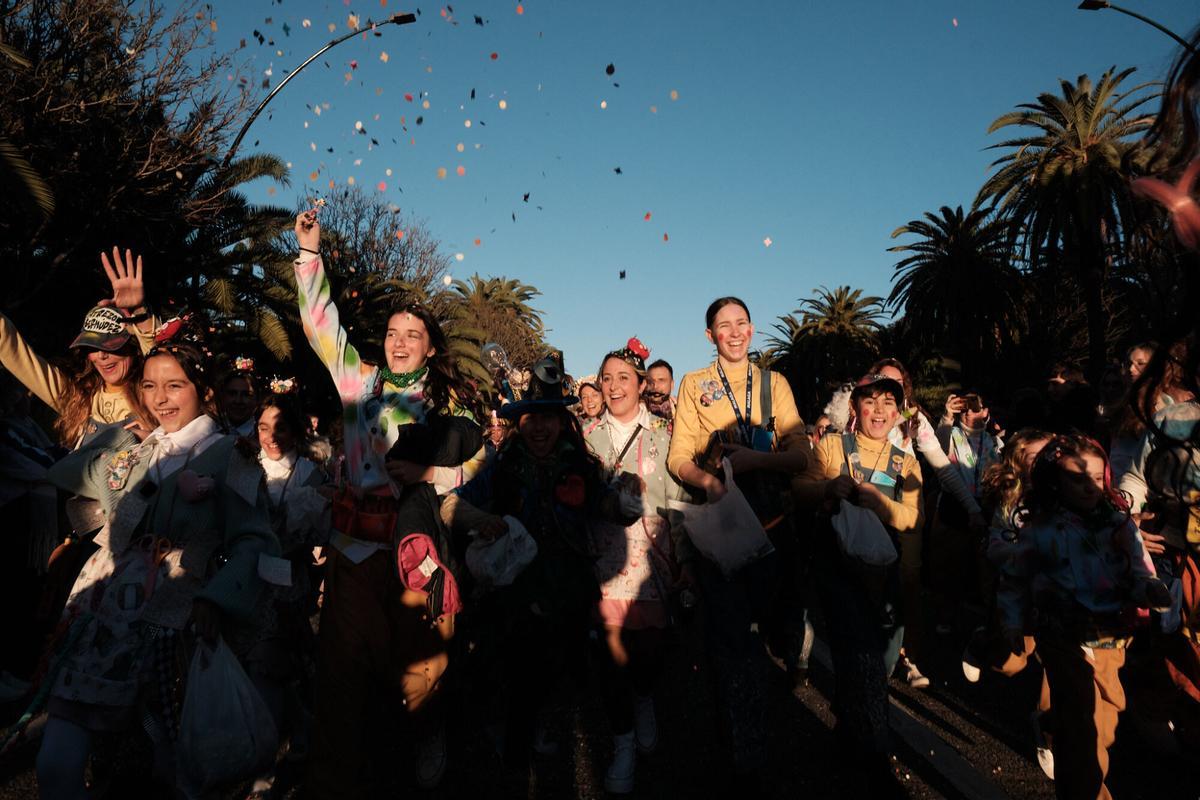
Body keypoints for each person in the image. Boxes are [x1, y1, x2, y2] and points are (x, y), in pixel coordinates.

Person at [35, 332, 278, 799]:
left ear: (202, 390)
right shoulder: (137, 450)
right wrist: (119, 437)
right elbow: (61, 472)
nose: (159, 399)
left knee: (155, 768)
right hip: (102, 619)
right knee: (58, 764)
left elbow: (255, 540)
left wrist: (216, 598)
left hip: (174, 628)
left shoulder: (232, 455)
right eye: (148, 386)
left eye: (174, 386)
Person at [292, 209, 482, 795]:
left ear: (429, 348)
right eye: (393, 333)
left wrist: (430, 473)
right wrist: (309, 257)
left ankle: (427, 734)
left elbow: (475, 464)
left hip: (415, 551)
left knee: (420, 662)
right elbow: (323, 327)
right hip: (352, 551)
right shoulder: (359, 383)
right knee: (344, 676)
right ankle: (336, 776)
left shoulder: (451, 399)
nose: (399, 343)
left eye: (413, 336)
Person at [666, 296, 810, 783]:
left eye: (741, 323)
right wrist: (710, 483)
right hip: (722, 533)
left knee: (773, 631)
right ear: (710, 336)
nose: (734, 332)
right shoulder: (694, 384)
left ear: (752, 330)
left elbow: (800, 457)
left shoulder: (776, 385)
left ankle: (764, 707)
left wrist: (756, 462)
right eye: (723, 326)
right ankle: (741, 746)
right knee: (730, 644)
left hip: (772, 529)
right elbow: (677, 457)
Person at [449, 356, 612, 770]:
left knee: (557, 669)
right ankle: (511, 739)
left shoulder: (582, 468)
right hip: (513, 589)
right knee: (514, 667)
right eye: (530, 418)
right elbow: (455, 504)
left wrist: (622, 499)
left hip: (565, 587)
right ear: (519, 423)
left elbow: (602, 507)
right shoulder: (500, 468)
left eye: (549, 418)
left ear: (562, 423)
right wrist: (480, 519)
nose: (539, 427)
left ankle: (535, 726)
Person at [1001, 434, 1170, 800]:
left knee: (1103, 728)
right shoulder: (1040, 528)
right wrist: (1013, 621)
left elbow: (1140, 568)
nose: (1089, 486)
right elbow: (1014, 580)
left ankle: (1054, 726)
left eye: (1096, 476)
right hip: (1062, 635)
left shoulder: (1118, 523)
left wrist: (1150, 588)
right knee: (1081, 733)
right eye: (1076, 478)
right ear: (1054, 480)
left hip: (1110, 635)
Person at [794, 372, 922, 792]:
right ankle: (874, 761)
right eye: (871, 402)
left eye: (889, 403)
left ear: (899, 413)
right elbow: (800, 489)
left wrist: (879, 502)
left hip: (884, 578)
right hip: (838, 572)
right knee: (862, 657)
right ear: (855, 409)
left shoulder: (906, 462)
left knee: (872, 663)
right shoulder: (832, 448)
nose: (880, 410)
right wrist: (829, 487)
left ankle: (849, 731)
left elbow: (911, 518)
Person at [583, 338, 684, 793]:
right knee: (609, 662)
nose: (614, 385)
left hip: (653, 567)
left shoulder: (666, 438)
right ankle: (622, 741)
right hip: (603, 564)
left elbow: (680, 503)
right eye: (607, 378)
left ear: (642, 385)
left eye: (624, 377)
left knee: (649, 656)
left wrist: (685, 559)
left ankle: (644, 697)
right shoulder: (584, 440)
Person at [866, 358, 987, 687]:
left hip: (904, 506)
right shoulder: (858, 413)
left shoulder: (912, 418)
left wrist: (971, 507)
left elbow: (943, 467)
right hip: (865, 507)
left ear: (904, 388)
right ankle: (867, 651)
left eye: (894, 383)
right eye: (879, 380)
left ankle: (911, 657)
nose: (885, 389)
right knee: (868, 582)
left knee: (909, 578)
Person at [243, 391, 331, 796]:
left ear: (295, 430)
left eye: (279, 427)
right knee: (264, 667)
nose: (271, 436)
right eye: (263, 427)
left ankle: (282, 752)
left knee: (282, 665)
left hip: (289, 583)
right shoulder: (243, 466)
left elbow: (318, 532)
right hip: (247, 580)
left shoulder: (310, 475)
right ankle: (285, 742)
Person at [932, 390, 1002, 635]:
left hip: (985, 508)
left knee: (986, 568)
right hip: (954, 508)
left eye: (975, 407)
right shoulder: (950, 433)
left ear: (985, 412)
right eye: (965, 407)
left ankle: (988, 622)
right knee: (949, 566)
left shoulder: (995, 441)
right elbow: (935, 449)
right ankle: (945, 617)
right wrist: (947, 417)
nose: (970, 412)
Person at [216, 356, 260, 437]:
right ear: (223, 396)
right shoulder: (208, 432)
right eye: (232, 393)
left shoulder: (264, 439)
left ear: (257, 399)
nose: (238, 401)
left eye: (246, 394)